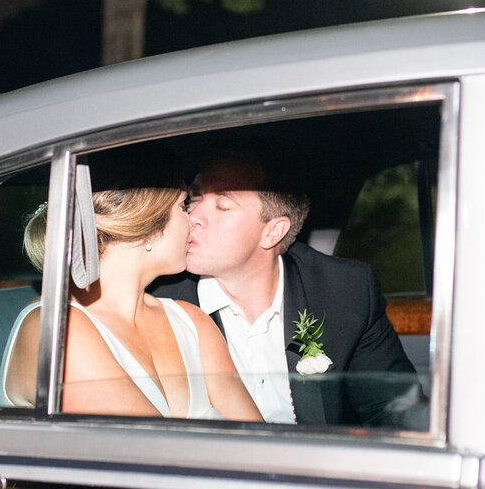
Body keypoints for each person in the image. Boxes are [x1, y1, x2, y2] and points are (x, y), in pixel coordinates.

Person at [152, 144, 422, 427]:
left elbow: (394, 411)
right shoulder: (159, 302)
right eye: (193, 200)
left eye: (223, 206)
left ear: (272, 231)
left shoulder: (345, 291)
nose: (193, 216)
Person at [2, 155, 262, 422]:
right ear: (146, 226)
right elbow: (153, 455)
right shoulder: (59, 330)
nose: (193, 219)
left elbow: (261, 443)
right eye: (183, 205)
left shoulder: (193, 322)